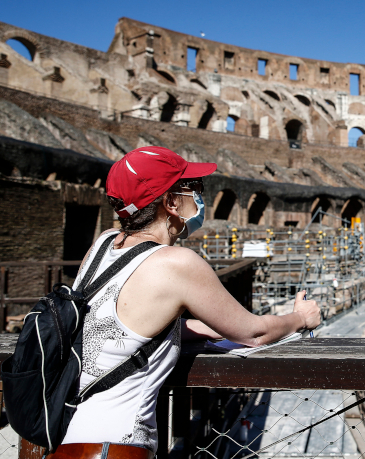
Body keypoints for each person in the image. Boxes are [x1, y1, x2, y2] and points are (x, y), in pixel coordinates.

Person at [52, 146, 320, 459]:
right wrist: (300, 318)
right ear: (170, 202)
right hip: (115, 446)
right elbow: (254, 334)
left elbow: (114, 326)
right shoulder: (177, 263)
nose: (199, 197)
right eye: (194, 188)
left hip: (65, 436)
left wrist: (194, 328)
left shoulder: (102, 244)